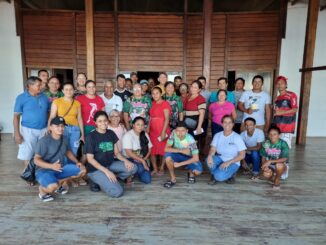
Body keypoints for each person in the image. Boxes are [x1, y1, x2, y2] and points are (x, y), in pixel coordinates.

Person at [85, 111, 137, 198]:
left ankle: (112, 179)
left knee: (133, 167)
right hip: (95, 169)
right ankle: (95, 180)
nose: (103, 123)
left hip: (110, 164)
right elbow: (90, 159)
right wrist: (106, 171)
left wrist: (126, 161)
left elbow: (117, 153)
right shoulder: (91, 136)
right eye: (100, 121)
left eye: (105, 120)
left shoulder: (110, 133)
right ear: (95, 122)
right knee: (117, 192)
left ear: (108, 120)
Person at [34, 116, 86, 202]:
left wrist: (77, 162)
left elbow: (68, 151)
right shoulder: (44, 141)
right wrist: (51, 166)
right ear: (50, 127)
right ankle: (42, 191)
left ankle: (59, 184)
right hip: (44, 170)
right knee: (51, 187)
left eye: (62, 126)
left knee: (82, 170)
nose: (61, 128)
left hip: (60, 168)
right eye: (57, 126)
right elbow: (36, 160)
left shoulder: (64, 139)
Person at [13, 76, 50, 168]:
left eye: (41, 85)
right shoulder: (21, 97)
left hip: (44, 130)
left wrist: (49, 127)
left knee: (42, 153)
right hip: (28, 130)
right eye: (39, 85)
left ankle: (40, 173)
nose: (41, 87)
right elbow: (16, 117)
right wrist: (17, 133)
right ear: (30, 85)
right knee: (28, 154)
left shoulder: (44, 97)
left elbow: (49, 113)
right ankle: (29, 176)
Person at [206, 115, 246, 185]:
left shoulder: (237, 137)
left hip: (233, 162)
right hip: (220, 158)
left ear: (233, 124)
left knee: (219, 177)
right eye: (225, 122)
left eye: (230, 122)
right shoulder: (217, 135)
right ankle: (214, 175)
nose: (227, 124)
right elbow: (213, 149)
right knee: (208, 159)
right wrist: (210, 155)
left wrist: (228, 162)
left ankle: (231, 174)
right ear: (222, 124)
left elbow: (242, 155)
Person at [163, 121, 203, 188]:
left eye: (183, 131)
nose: (180, 133)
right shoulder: (173, 134)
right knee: (167, 156)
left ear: (187, 131)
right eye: (178, 131)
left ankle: (190, 172)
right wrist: (181, 150)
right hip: (178, 155)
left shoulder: (191, 140)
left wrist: (180, 164)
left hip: (189, 158)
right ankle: (173, 179)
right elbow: (166, 149)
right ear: (175, 131)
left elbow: (196, 158)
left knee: (198, 171)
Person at [49, 83, 84, 158]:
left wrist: (82, 134)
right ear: (63, 91)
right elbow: (52, 117)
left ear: (74, 91)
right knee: (62, 148)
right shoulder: (57, 102)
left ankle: (71, 167)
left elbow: (79, 118)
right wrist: (49, 128)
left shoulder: (77, 103)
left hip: (75, 129)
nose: (69, 91)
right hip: (62, 128)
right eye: (66, 89)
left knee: (74, 148)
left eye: (71, 89)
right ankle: (63, 167)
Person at [273, 75, 298, 180]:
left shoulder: (291, 95)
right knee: (278, 150)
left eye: (282, 83)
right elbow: (276, 113)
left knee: (285, 150)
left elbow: (295, 109)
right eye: (278, 83)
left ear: (286, 84)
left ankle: (285, 171)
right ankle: (278, 169)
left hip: (287, 128)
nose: (280, 85)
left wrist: (281, 112)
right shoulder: (277, 98)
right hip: (277, 128)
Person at [122, 117, 152, 184]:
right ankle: (129, 174)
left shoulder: (145, 134)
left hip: (141, 159)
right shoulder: (128, 135)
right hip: (130, 159)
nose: (140, 127)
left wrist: (144, 159)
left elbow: (150, 150)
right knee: (141, 169)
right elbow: (129, 153)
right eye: (138, 124)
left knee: (147, 180)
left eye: (142, 125)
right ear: (133, 125)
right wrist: (143, 162)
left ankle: (133, 173)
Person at [149, 87, 171, 175]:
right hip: (153, 130)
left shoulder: (165, 104)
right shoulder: (152, 103)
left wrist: (163, 132)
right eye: (153, 93)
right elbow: (150, 117)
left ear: (161, 94)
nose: (155, 95)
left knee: (163, 150)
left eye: (157, 93)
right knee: (152, 150)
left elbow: (167, 119)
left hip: (162, 129)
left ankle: (162, 167)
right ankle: (154, 168)